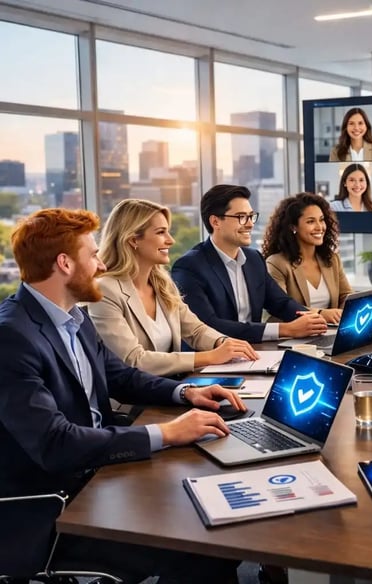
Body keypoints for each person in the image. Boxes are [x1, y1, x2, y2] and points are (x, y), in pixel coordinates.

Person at [0, 208, 243, 583]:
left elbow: (120, 376)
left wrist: (186, 392)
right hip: (59, 504)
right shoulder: (12, 337)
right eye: (93, 255)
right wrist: (167, 434)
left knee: (215, 509)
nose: (100, 266)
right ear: (64, 263)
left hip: (102, 473)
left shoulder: (72, 317)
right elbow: (55, 442)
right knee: (203, 542)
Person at [88, 198, 259, 377]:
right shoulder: (106, 290)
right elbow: (134, 360)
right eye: (161, 232)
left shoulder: (162, 283)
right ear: (133, 240)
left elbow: (195, 330)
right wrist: (210, 357)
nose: (170, 240)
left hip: (171, 389)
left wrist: (223, 342)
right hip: (136, 401)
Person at [172, 184, 327, 343]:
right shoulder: (189, 267)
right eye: (241, 217)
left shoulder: (254, 259)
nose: (250, 224)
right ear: (215, 221)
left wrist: (312, 321)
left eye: (251, 216)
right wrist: (285, 329)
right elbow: (208, 326)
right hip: (211, 360)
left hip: (254, 353)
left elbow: (281, 303)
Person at [263, 192, 352, 324]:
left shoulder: (332, 259)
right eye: (311, 221)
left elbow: (346, 295)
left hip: (329, 333)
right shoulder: (277, 263)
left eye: (321, 220)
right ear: (293, 227)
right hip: (293, 336)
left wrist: (344, 315)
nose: (319, 227)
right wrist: (321, 314)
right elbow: (281, 307)